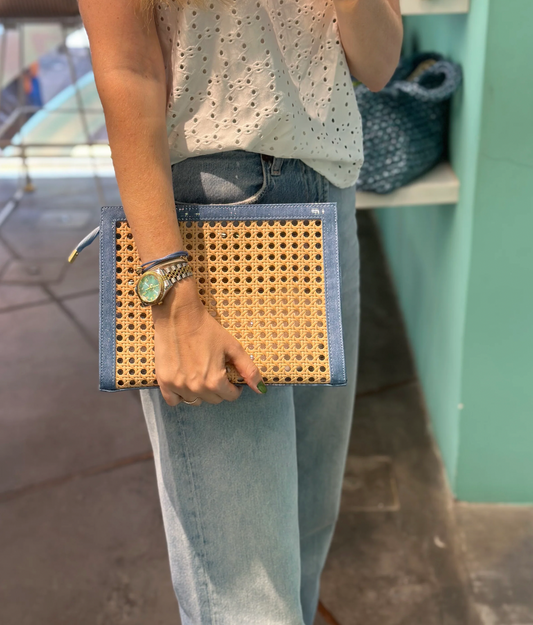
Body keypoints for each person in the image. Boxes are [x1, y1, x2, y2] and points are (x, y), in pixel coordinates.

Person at [78, 0, 402, 622]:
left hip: (326, 195)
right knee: (248, 601)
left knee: (307, 538)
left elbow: (379, 63)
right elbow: (126, 67)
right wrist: (172, 291)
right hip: (208, 215)